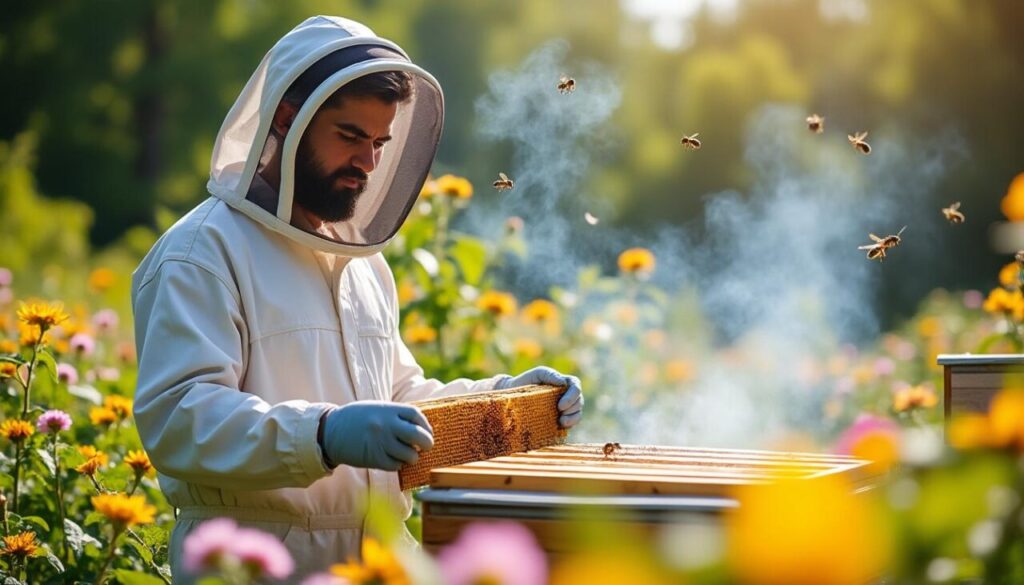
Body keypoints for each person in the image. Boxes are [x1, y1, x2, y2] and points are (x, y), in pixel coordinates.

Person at [130, 15, 584, 582]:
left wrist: (503, 399)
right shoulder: (201, 253)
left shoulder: (362, 263)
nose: (368, 162)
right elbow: (180, 420)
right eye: (350, 136)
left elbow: (395, 398)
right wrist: (321, 434)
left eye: (379, 142)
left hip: (377, 561)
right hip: (254, 564)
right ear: (287, 120)